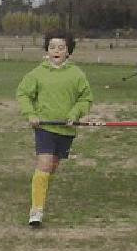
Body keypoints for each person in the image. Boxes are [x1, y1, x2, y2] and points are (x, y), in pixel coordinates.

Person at [16, 30, 93, 228]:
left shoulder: (77, 75)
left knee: (52, 167)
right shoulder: (37, 74)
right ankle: (36, 211)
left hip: (66, 130)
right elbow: (23, 94)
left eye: (61, 47)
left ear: (68, 51)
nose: (56, 51)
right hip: (45, 128)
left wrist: (75, 114)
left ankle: (40, 194)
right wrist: (31, 114)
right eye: (52, 47)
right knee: (44, 163)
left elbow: (85, 98)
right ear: (47, 50)